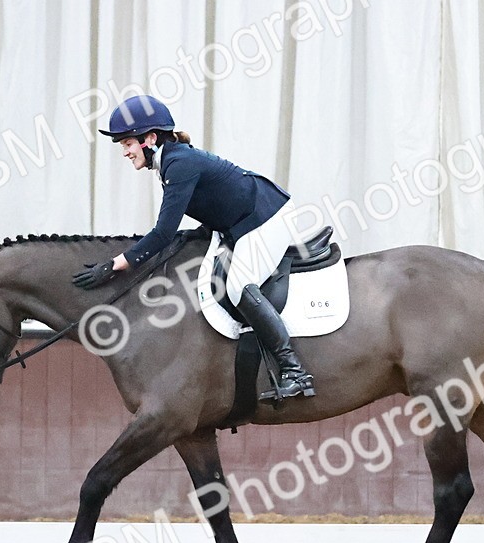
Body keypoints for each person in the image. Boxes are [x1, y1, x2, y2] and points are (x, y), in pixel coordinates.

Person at [72, 94, 315, 401]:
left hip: (266, 217)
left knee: (239, 286)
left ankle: (294, 371)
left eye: (127, 144)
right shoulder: (170, 160)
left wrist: (116, 264)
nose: (125, 152)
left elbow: (162, 233)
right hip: (239, 222)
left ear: (149, 138)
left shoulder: (178, 163)